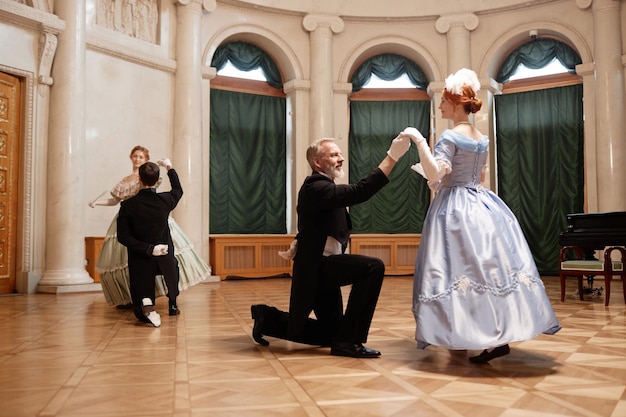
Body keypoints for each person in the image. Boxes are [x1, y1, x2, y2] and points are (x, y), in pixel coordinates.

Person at [404, 68, 561, 364]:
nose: (439, 106)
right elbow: (482, 175)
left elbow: (436, 172)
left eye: (443, 102)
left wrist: (419, 141)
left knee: (454, 270)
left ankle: (462, 333)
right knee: (486, 270)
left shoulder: (449, 136)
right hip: (482, 205)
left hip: (454, 208)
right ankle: (494, 332)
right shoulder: (481, 137)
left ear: (454, 103)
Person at [250, 134, 411, 358]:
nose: (341, 158)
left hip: (321, 268)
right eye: (334, 154)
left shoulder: (325, 187)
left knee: (330, 334)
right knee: (372, 267)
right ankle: (349, 341)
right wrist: (392, 157)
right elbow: (359, 191)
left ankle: (268, 319)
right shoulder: (315, 186)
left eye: (340, 153)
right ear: (317, 162)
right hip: (319, 267)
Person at [88, 145, 211, 310]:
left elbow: (149, 191)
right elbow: (116, 200)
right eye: (135, 156)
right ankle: (135, 297)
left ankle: (154, 298)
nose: (137, 159)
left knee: (150, 258)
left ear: (145, 160)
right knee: (136, 260)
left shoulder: (145, 180)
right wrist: (97, 203)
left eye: (141, 157)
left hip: (148, 218)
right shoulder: (128, 182)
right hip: (136, 216)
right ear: (131, 157)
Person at [117, 159, 182, 327]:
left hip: (141, 259)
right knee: (173, 266)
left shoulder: (128, 205)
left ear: (139, 179)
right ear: (157, 179)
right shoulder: (165, 200)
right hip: (164, 258)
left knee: (139, 311)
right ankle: (172, 301)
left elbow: (123, 237)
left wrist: (148, 249)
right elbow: (178, 189)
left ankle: (147, 305)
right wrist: (169, 166)